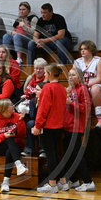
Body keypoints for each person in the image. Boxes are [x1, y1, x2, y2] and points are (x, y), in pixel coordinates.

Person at [60, 67, 95, 192]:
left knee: (76, 155)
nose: (70, 77)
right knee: (68, 155)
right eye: (69, 75)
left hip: (77, 126)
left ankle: (88, 181)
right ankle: (74, 180)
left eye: (73, 75)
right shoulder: (70, 89)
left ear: (79, 77)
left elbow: (86, 108)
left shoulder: (83, 89)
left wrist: (71, 103)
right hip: (67, 126)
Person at [34, 64, 67, 193]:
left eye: (46, 73)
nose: (44, 75)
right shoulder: (62, 88)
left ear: (50, 74)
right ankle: (63, 182)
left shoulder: (48, 87)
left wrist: (37, 126)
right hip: (59, 126)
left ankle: (52, 184)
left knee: (50, 155)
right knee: (54, 154)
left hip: (48, 126)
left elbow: (43, 109)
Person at [0, 99, 28, 192]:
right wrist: (3, 136)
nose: (13, 106)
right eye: (11, 105)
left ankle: (5, 182)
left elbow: (22, 135)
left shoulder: (17, 116)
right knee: (8, 138)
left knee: (9, 151)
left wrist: (21, 121)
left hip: (15, 146)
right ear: (4, 109)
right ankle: (19, 165)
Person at [74, 40, 101, 129]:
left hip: (99, 85)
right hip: (83, 86)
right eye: (81, 49)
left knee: (95, 89)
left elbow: (99, 79)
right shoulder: (77, 62)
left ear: (91, 50)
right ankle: (78, 120)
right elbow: (74, 76)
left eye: (85, 49)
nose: (82, 51)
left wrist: (86, 86)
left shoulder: (99, 60)